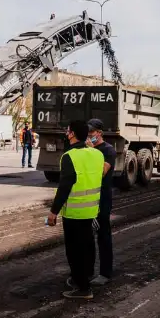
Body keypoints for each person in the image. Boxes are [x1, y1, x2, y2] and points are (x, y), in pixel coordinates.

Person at [47, 119, 104, 299]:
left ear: (72, 134)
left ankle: (83, 288)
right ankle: (84, 278)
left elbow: (64, 187)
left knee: (74, 252)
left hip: (74, 213)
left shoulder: (69, 157)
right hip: (91, 211)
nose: (66, 133)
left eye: (68, 130)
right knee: (87, 248)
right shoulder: (97, 155)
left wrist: (53, 212)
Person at [86, 118, 116, 286]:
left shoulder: (108, 150)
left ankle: (105, 272)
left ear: (99, 133)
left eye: (92, 133)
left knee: (103, 236)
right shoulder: (85, 149)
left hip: (102, 200)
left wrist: (91, 152)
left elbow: (101, 173)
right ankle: (87, 272)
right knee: (86, 238)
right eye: (87, 133)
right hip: (87, 200)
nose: (89, 136)